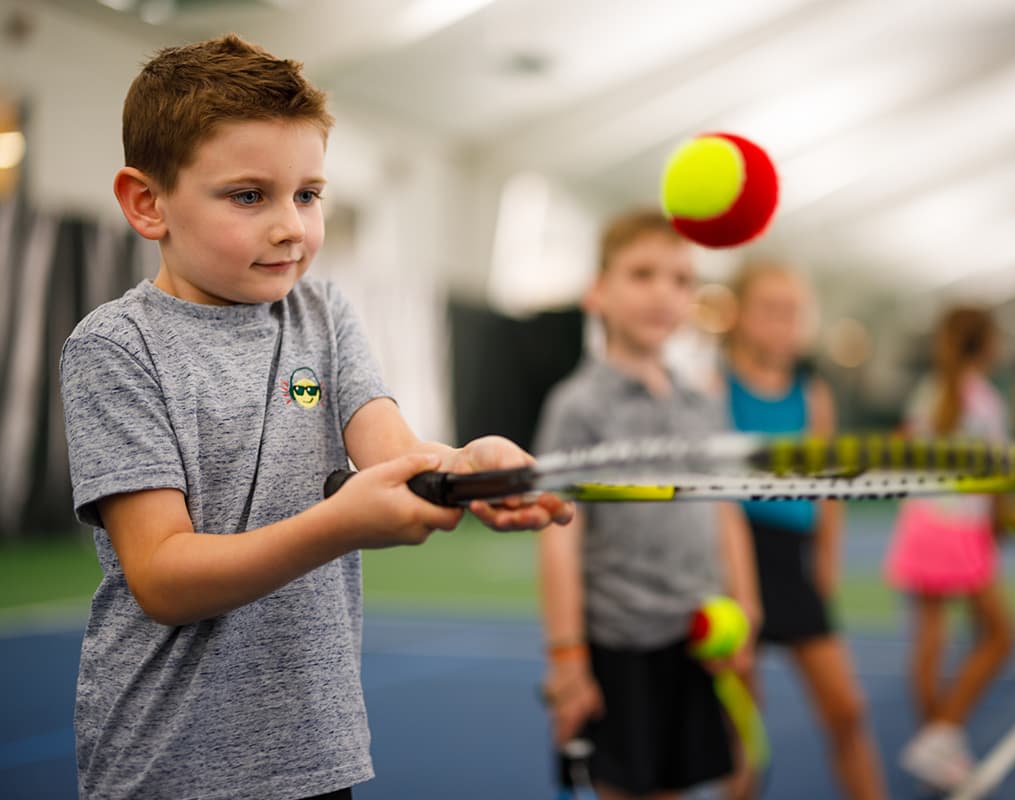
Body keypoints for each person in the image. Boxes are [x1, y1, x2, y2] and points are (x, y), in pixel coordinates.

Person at [58, 35, 572, 800]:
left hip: (315, 756)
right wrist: (337, 525)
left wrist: (467, 469)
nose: (291, 226)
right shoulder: (116, 346)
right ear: (147, 202)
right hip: (166, 768)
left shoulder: (324, 314)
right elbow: (162, 576)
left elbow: (392, 452)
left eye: (308, 194)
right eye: (248, 195)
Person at [535, 209, 761, 800]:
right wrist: (567, 657)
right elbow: (559, 535)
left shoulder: (701, 402)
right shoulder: (577, 406)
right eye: (642, 274)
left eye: (681, 280)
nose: (664, 292)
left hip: (698, 636)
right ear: (598, 292)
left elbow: (725, 509)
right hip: (620, 646)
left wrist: (747, 610)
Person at [722, 262, 886, 800]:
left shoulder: (813, 396)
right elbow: (712, 500)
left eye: (793, 311)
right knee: (744, 736)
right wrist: (734, 589)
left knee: (847, 712)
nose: (782, 322)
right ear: (740, 314)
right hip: (733, 563)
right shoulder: (711, 388)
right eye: (770, 308)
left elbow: (829, 493)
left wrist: (826, 565)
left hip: (795, 565)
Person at [885, 308, 1015, 792]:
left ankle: (936, 743)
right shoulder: (985, 402)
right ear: (985, 345)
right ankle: (940, 735)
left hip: (923, 524)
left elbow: (903, 450)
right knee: (1001, 635)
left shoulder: (929, 392)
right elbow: (998, 478)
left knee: (930, 643)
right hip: (959, 529)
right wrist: (1003, 519)